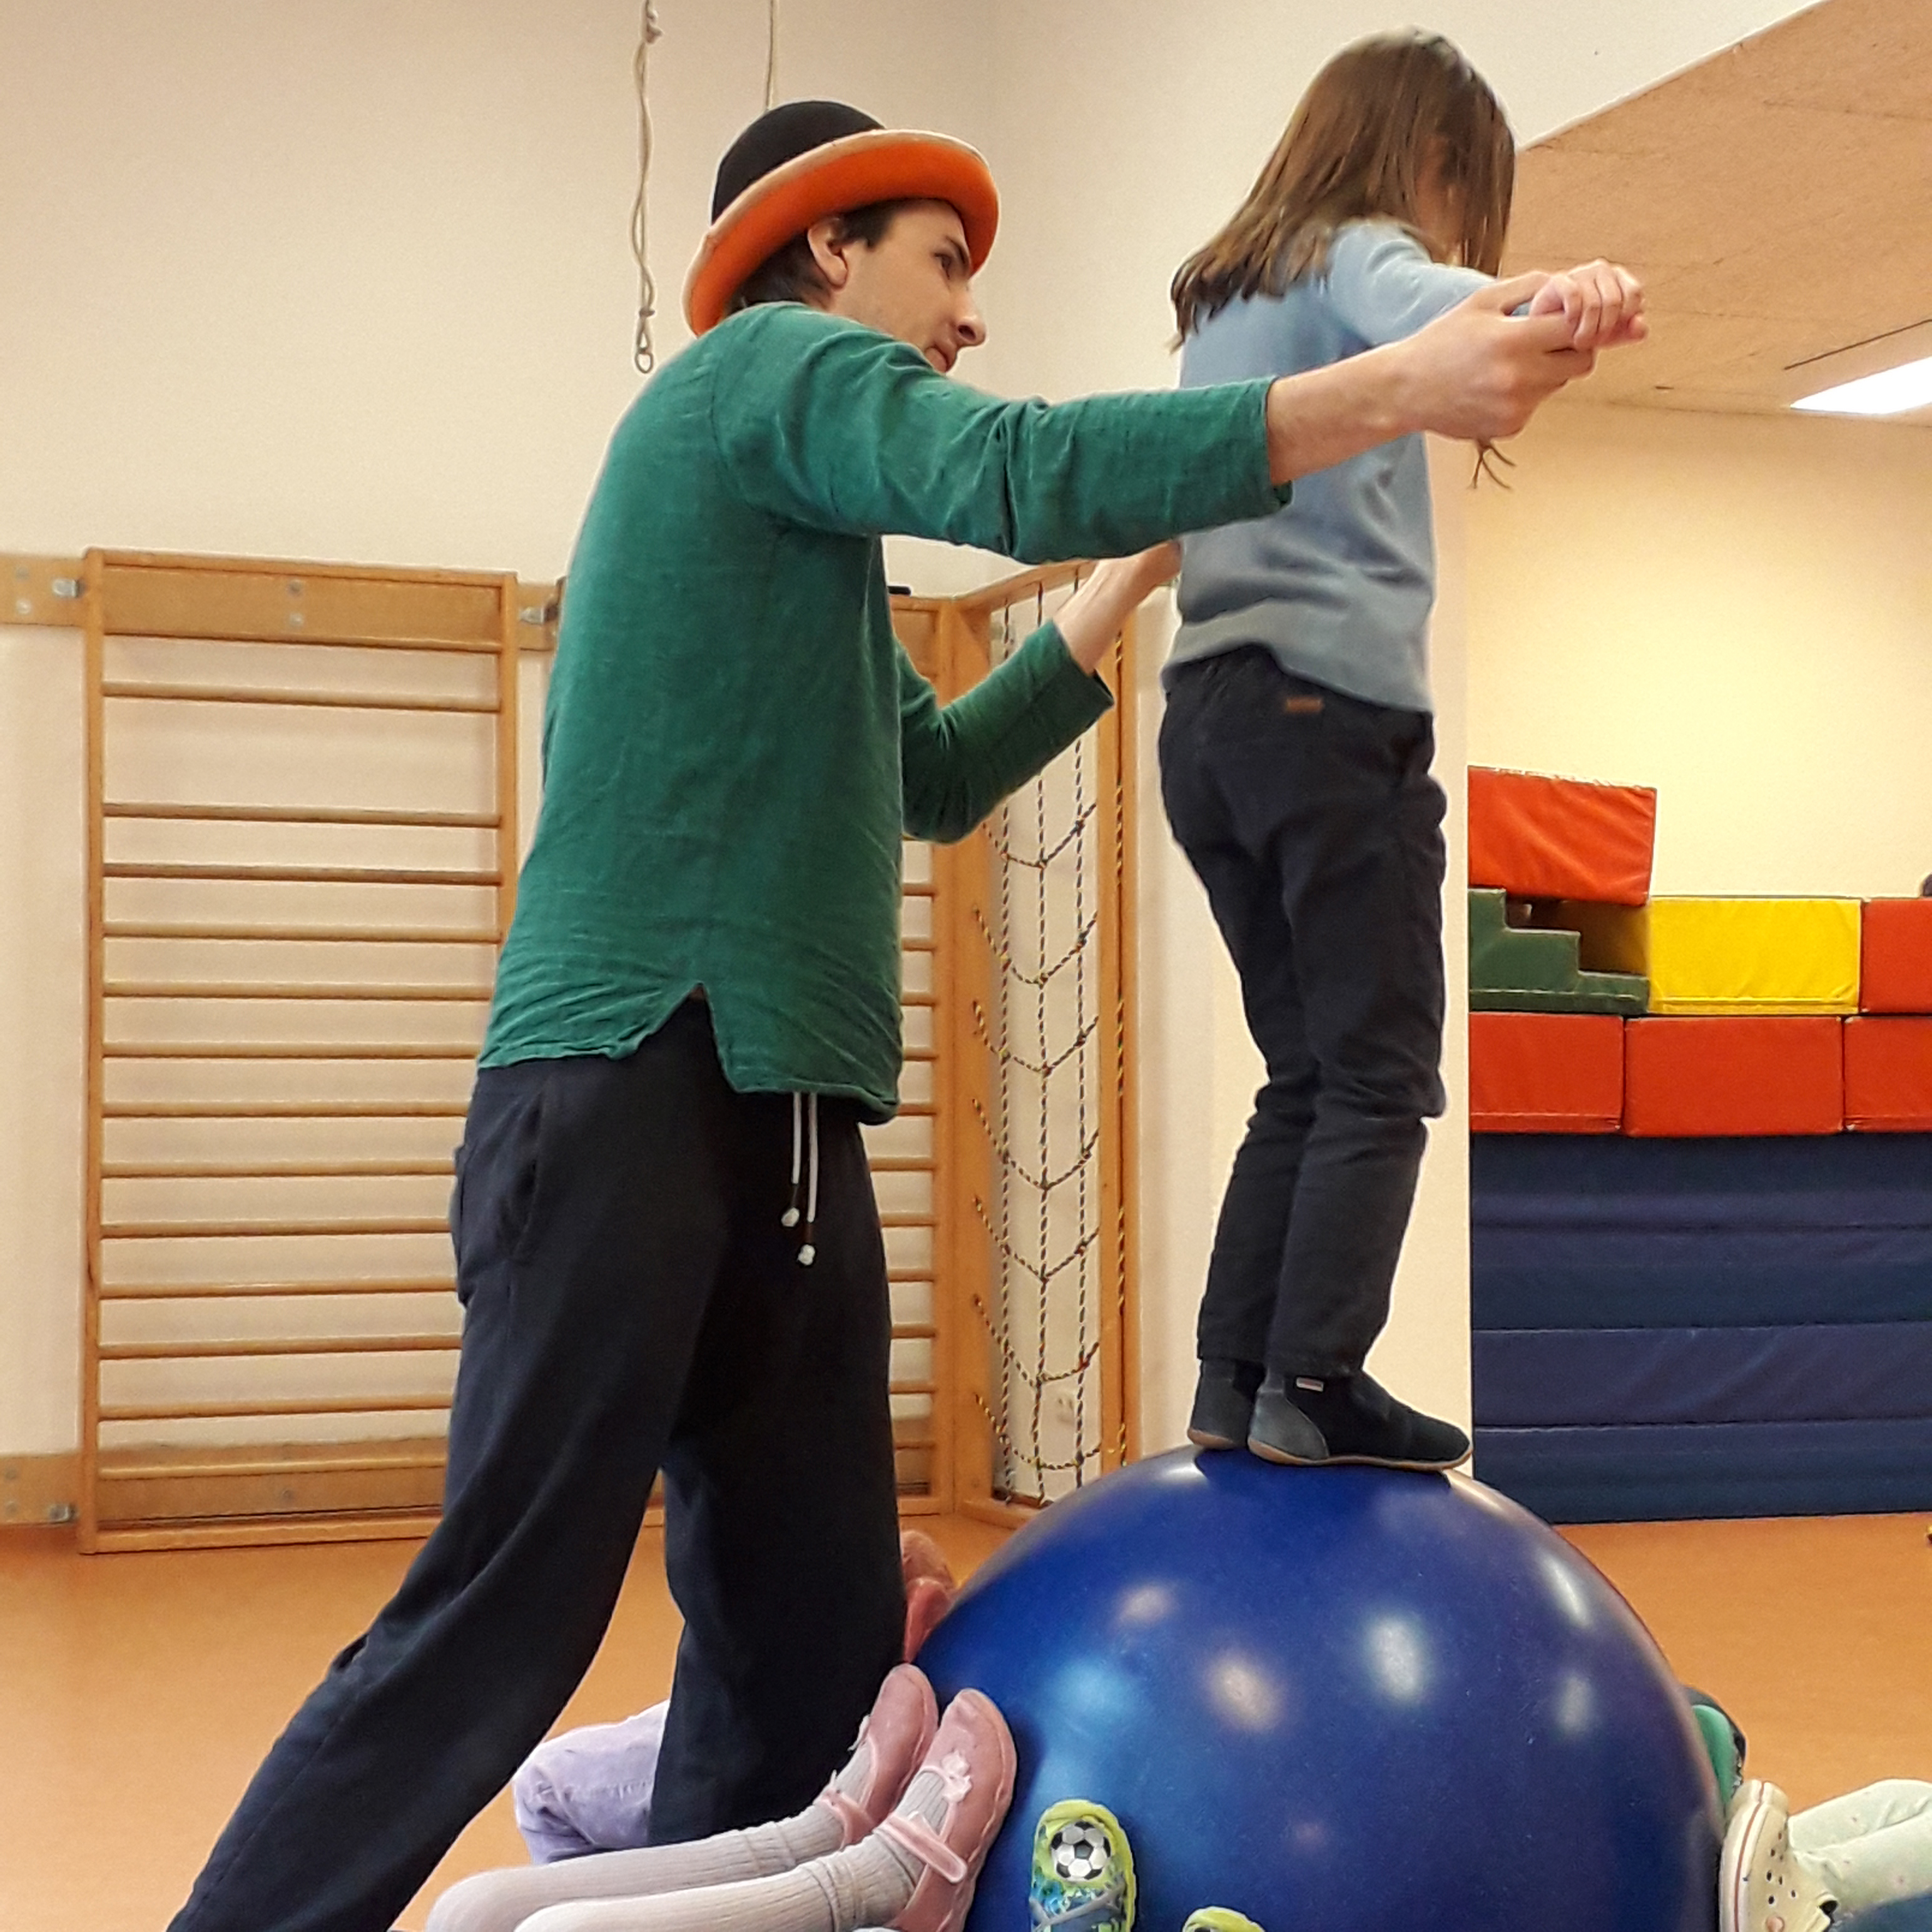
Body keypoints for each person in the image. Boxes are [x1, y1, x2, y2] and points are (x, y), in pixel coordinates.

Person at [167, 95, 1610, 1932]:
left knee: (809, 1653)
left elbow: (926, 775)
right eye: (946, 260)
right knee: (500, 1628)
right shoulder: (752, 373)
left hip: (782, 1128)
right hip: (629, 1089)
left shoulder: (794, 546)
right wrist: (1383, 388)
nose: (968, 309)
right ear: (828, 249)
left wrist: (1119, 588)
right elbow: (1005, 462)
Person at [1159, 31, 1646, 1471]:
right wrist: (1570, 292)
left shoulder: (1224, 292)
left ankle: (1233, 1372)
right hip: (1329, 720)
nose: (1448, 225)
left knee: (1300, 1072)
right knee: (1379, 1074)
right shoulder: (1357, 250)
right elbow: (1453, 304)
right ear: (1426, 160)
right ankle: (1313, 1378)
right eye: (1461, 192)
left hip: (1209, 721)